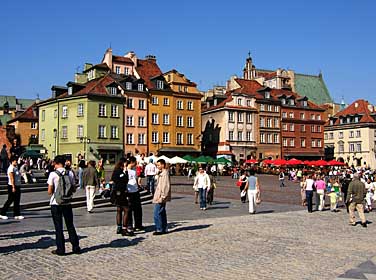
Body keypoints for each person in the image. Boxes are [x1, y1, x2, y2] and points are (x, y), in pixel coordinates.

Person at [47, 155, 80, 255]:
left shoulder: (53, 174)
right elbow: (74, 188)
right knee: (70, 225)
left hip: (56, 203)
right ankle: (75, 247)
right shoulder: (69, 173)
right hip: (67, 202)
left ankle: (60, 249)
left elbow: (49, 191)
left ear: (56, 163)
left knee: (58, 227)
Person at [111, 159, 132, 236]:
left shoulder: (115, 172)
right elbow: (126, 179)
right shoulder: (121, 172)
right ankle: (124, 228)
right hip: (121, 193)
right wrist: (126, 171)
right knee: (126, 210)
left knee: (119, 210)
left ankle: (119, 227)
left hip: (116, 193)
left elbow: (113, 180)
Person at [152, 158, 171, 235]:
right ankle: (164, 228)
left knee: (157, 213)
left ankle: (159, 228)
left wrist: (163, 196)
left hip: (161, 196)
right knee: (162, 212)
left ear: (163, 165)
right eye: (157, 165)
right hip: (160, 195)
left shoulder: (165, 174)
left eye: (159, 165)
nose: (157, 166)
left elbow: (166, 186)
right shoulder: (161, 173)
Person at [126, 156, 144, 232]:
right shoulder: (126, 171)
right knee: (129, 210)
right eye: (135, 162)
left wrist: (138, 185)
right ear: (132, 162)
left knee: (138, 209)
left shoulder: (134, 170)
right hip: (129, 191)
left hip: (135, 191)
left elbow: (135, 180)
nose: (136, 163)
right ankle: (129, 225)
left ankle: (138, 225)